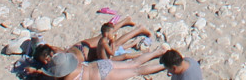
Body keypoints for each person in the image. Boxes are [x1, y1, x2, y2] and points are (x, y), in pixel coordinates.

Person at [40, 46, 172, 79]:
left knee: (136, 71)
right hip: (100, 64)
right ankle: (157, 52)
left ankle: (165, 65)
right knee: (132, 63)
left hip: (102, 76)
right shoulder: (74, 62)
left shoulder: (66, 78)